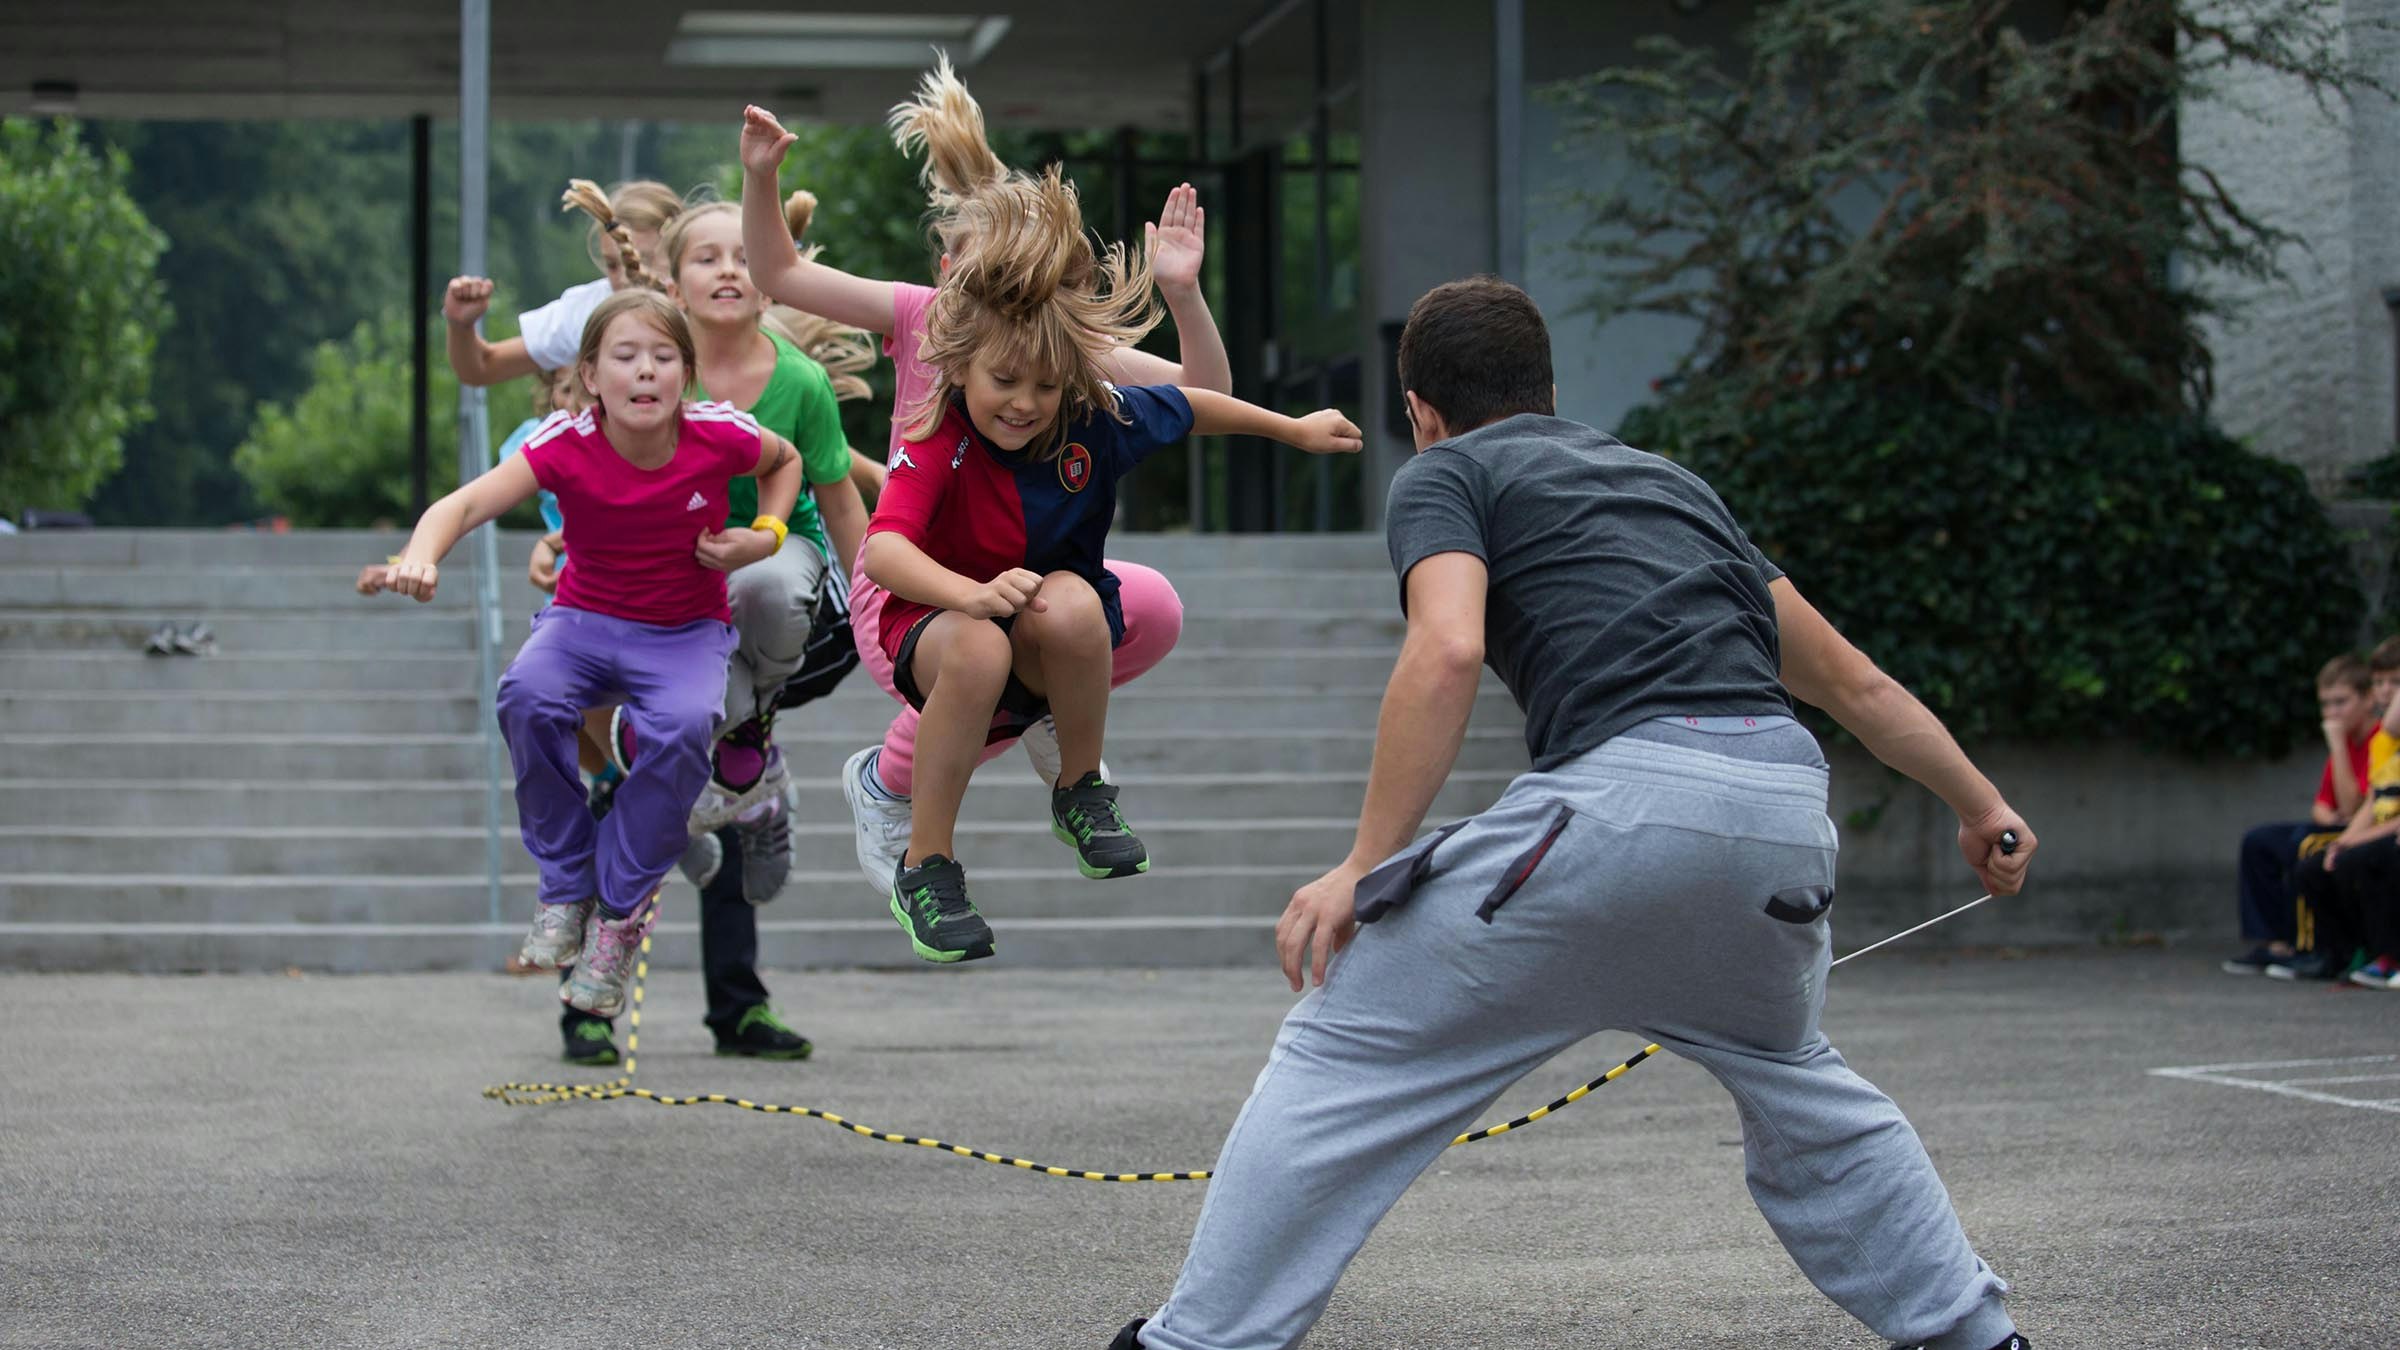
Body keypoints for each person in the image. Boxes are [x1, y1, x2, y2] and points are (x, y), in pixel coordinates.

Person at [1105, 277, 2036, 1350]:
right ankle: (1975, 1336)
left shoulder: (1447, 471)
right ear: (1549, 393)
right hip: (1782, 824)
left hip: (1614, 815)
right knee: (1798, 1083)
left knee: (1344, 1049)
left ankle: (1197, 1342)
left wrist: (1363, 865)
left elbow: (1447, 647)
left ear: (1420, 411)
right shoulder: (1675, 487)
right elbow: (1854, 684)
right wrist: (1983, 807)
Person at [739, 57, 1230, 894]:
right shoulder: (920, 318)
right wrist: (760, 179)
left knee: (1150, 607)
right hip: (913, 586)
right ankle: (888, 783)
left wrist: (1182, 293)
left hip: (1024, 578)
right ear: (946, 278)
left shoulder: (1062, 350)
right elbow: (780, 276)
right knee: (982, 653)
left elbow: (1205, 397)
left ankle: (1042, 703)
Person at [860, 170, 1362, 963]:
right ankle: (927, 866)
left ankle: (1081, 788)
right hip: (939, 623)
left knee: (1074, 600)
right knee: (980, 643)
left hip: (1035, 619)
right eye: (1004, 382)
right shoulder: (940, 434)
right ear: (961, 369)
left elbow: (1196, 403)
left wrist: (1291, 429)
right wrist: (971, 594)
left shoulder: (1093, 417)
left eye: (1046, 387)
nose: (1023, 404)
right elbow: (884, 551)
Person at [364, 289, 805, 1020]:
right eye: (625, 357)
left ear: (686, 375)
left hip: (683, 633)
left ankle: (618, 919)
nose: (645, 372)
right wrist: (421, 554)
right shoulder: (564, 442)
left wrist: (765, 535)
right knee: (527, 696)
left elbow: (785, 461)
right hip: (583, 622)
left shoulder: (718, 433)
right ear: (591, 376)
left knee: (682, 729)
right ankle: (566, 888)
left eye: (663, 357)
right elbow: (463, 504)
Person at [2222, 651, 2378, 974]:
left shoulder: (2376, 740)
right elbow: (2321, 805)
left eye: (2341, 702)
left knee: (2303, 845)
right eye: (2325, 704)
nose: (2331, 713)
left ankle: (2307, 947)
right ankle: (2274, 942)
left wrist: (2337, 746)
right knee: (2260, 841)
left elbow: (2354, 806)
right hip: (2337, 825)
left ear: (2368, 699)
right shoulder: (2344, 740)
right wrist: (2329, 816)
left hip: (2362, 831)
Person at [2275, 638, 2400, 986]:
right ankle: (2347, 953)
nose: (2385, 691)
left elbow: (2353, 805)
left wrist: (2356, 840)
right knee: (2321, 862)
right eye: (2379, 682)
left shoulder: (2381, 734)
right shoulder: (2383, 742)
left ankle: (2386, 955)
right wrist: (2345, 840)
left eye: (2395, 682)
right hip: (2380, 829)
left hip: (2388, 834)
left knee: (2355, 857)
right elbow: (2373, 800)